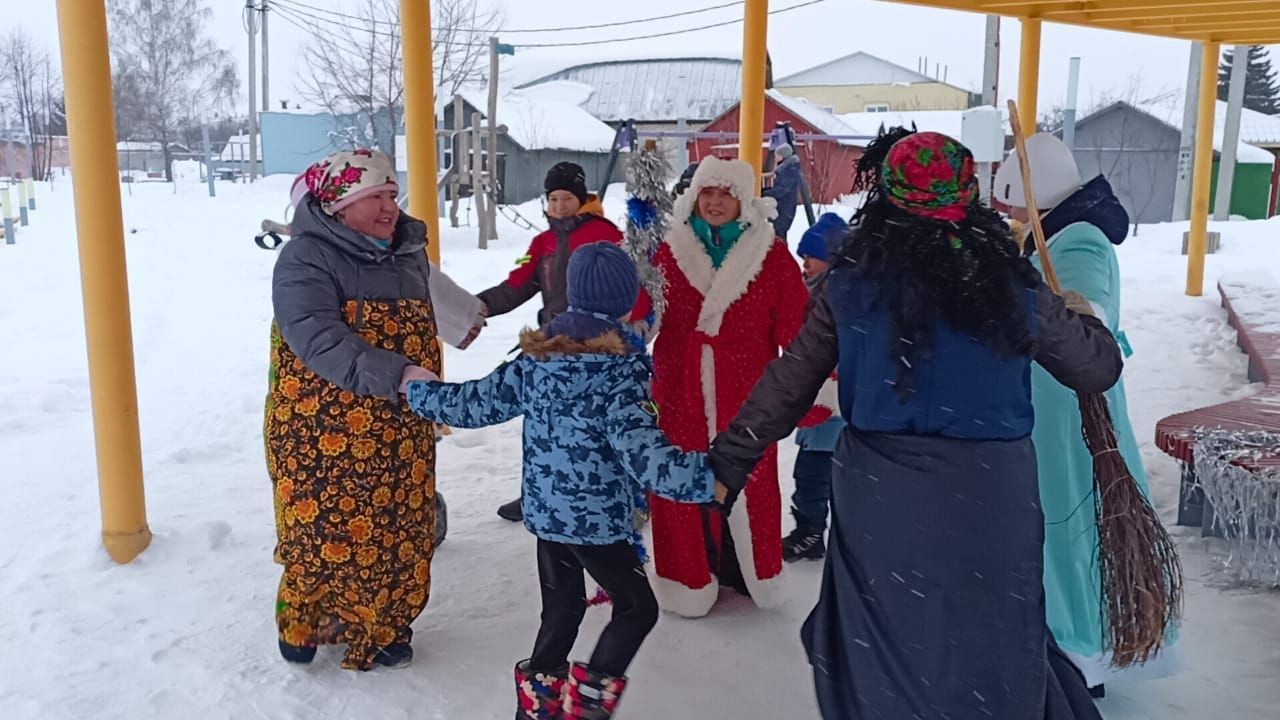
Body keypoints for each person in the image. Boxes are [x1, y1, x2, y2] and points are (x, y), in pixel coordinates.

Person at [708, 129, 1121, 719]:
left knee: (888, 639)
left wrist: (727, 462)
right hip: (990, 497)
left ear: (890, 196)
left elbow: (790, 379)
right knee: (991, 636)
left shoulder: (850, 283)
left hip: (883, 497)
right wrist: (1085, 315)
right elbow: (1095, 368)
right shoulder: (1012, 282)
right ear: (969, 191)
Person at [401, 243, 723, 720]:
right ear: (625, 301)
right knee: (638, 609)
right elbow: (642, 452)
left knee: (562, 610)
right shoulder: (620, 371)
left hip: (548, 516)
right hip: (596, 525)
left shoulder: (537, 360)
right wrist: (704, 480)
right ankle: (583, 709)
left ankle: (536, 710)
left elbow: (471, 405)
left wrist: (416, 388)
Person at [265, 148, 484, 671]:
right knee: (322, 527)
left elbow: (441, 310)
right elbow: (316, 337)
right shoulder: (305, 257)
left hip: (400, 421)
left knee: (399, 524)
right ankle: (309, 619)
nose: (389, 207)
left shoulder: (406, 251)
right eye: (373, 198)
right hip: (321, 426)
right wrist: (398, 374)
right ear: (338, 205)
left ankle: (386, 626)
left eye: (391, 194)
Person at [994, 132, 1180, 694]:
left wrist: (1066, 307)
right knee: (1061, 522)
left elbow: (1089, 305)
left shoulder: (1077, 240)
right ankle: (1068, 646)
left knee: (1071, 523)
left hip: (1069, 413)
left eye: (1011, 197)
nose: (1006, 209)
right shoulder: (1054, 234)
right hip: (1056, 406)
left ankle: (1081, 649)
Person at [648, 155, 809, 616]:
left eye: (725, 194)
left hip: (748, 389)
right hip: (679, 387)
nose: (715, 202)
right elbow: (642, 317)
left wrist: (809, 389)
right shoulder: (666, 250)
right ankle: (688, 578)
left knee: (750, 483)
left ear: (744, 201)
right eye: (707, 193)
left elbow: (797, 326)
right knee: (679, 481)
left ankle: (745, 570)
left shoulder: (771, 254)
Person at [479, 161, 651, 523]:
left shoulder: (604, 235)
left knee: (604, 428)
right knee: (544, 428)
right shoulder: (542, 242)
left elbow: (630, 287)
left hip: (599, 347)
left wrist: (630, 334)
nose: (558, 206)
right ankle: (536, 493)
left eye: (566, 198)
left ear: (581, 198)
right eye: (552, 198)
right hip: (554, 346)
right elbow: (519, 283)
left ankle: (630, 497)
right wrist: (479, 306)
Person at [783, 212, 847, 563]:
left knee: (815, 476)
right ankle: (813, 531)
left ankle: (810, 532)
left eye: (811, 256)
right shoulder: (813, 293)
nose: (804, 263)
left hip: (832, 411)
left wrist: (824, 393)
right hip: (819, 408)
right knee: (815, 475)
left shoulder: (836, 298)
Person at [763, 144, 803, 239]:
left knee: (780, 235)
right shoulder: (788, 168)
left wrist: (765, 193)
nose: (775, 158)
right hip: (784, 207)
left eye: (777, 155)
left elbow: (782, 190)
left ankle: (781, 253)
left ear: (783, 156)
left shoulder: (789, 171)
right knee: (779, 235)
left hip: (785, 208)